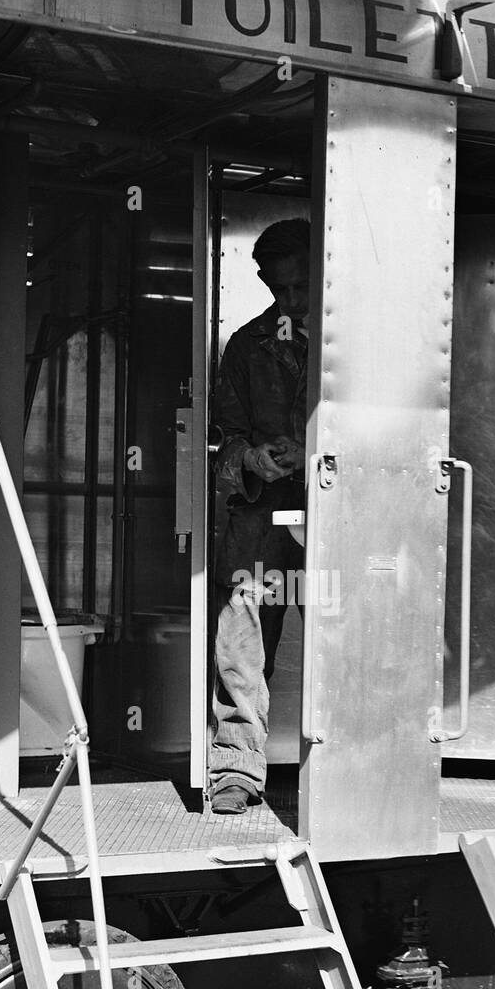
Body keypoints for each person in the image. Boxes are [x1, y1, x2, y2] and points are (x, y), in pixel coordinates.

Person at [208, 219, 310, 814]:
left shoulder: (348, 344)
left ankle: (354, 759)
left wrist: (315, 451)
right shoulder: (246, 348)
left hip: (334, 506)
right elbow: (222, 441)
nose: (293, 300)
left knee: (347, 637)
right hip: (263, 511)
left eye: (303, 286)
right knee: (242, 634)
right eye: (282, 288)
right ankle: (236, 769)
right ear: (265, 280)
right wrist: (250, 457)